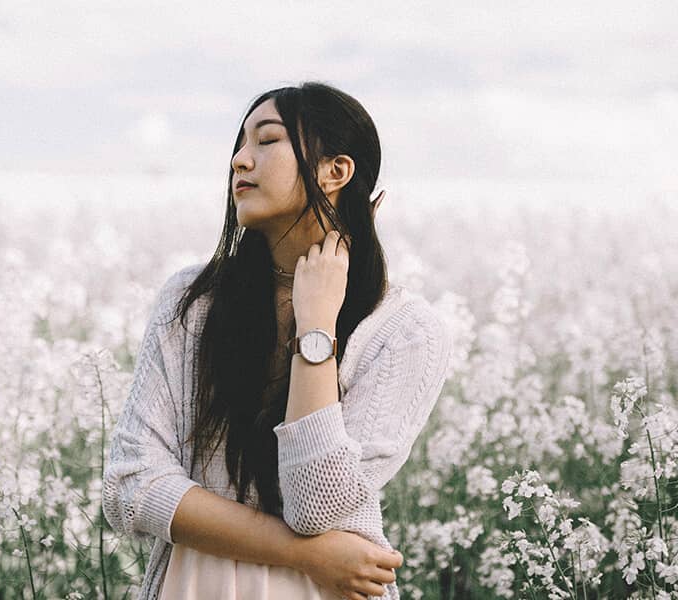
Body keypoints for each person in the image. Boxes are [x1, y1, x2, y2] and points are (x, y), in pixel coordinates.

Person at [102, 81, 453, 600]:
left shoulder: (404, 332)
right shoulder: (192, 301)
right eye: (240, 145)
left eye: (267, 141)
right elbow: (131, 486)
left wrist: (317, 330)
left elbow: (318, 507)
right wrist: (303, 554)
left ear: (336, 171)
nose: (241, 161)